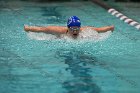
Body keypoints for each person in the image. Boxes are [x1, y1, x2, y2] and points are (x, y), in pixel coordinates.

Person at [24, 16, 114, 38]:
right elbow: (42, 29)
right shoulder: (58, 31)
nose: (75, 31)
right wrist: (28, 28)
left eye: (77, 28)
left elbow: (99, 29)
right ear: (68, 27)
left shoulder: (85, 30)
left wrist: (110, 28)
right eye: (72, 28)